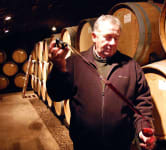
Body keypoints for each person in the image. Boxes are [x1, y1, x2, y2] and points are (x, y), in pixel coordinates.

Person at [47, 15, 156, 150]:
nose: (112, 43)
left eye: (116, 38)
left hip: (121, 145)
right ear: (94, 37)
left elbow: (142, 103)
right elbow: (56, 95)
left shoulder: (131, 66)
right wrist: (58, 68)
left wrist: (143, 128)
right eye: (108, 37)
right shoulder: (74, 63)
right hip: (84, 144)